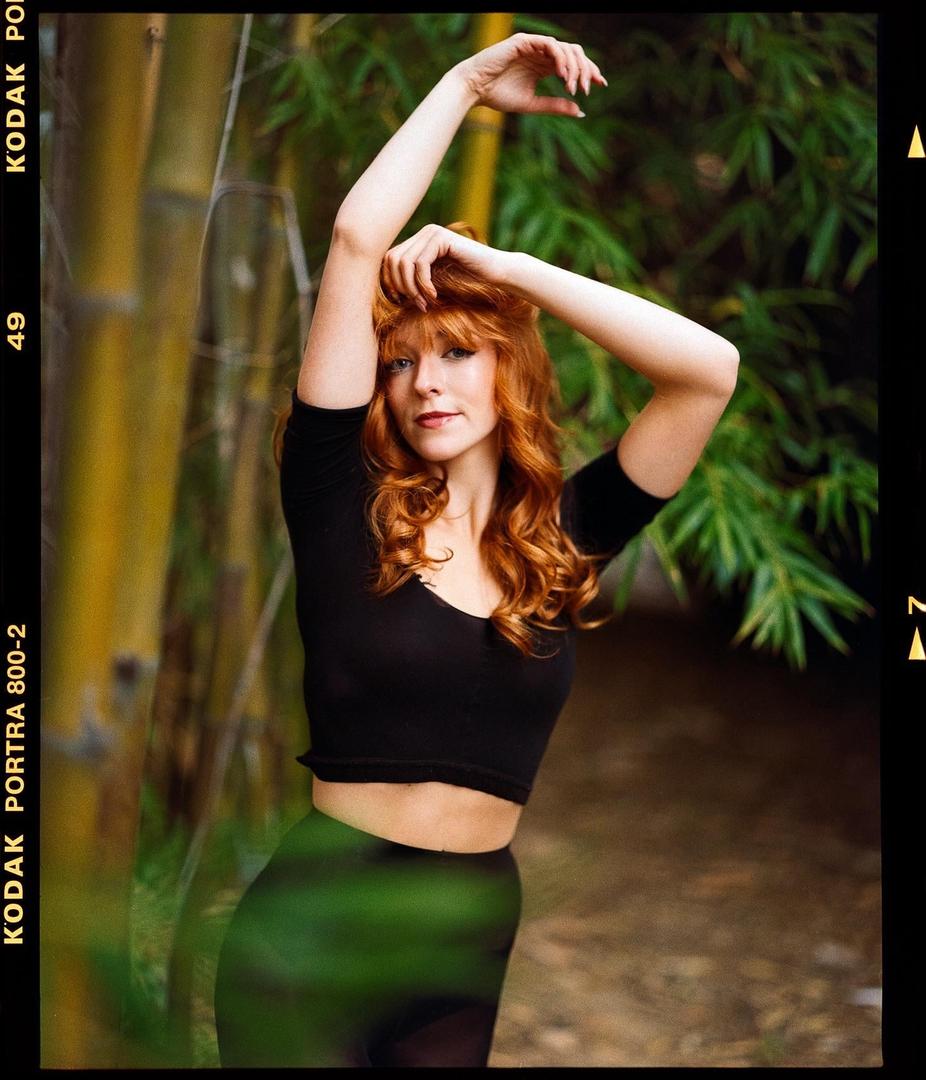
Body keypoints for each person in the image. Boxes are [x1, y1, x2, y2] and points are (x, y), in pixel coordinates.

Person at [213, 31, 739, 1068]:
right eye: (399, 363)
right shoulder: (339, 508)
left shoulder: (562, 540)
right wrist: (464, 84)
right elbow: (358, 238)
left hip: (467, 929)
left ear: (509, 372)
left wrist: (507, 271)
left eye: (459, 354)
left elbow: (706, 372)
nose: (426, 383)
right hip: (316, 925)